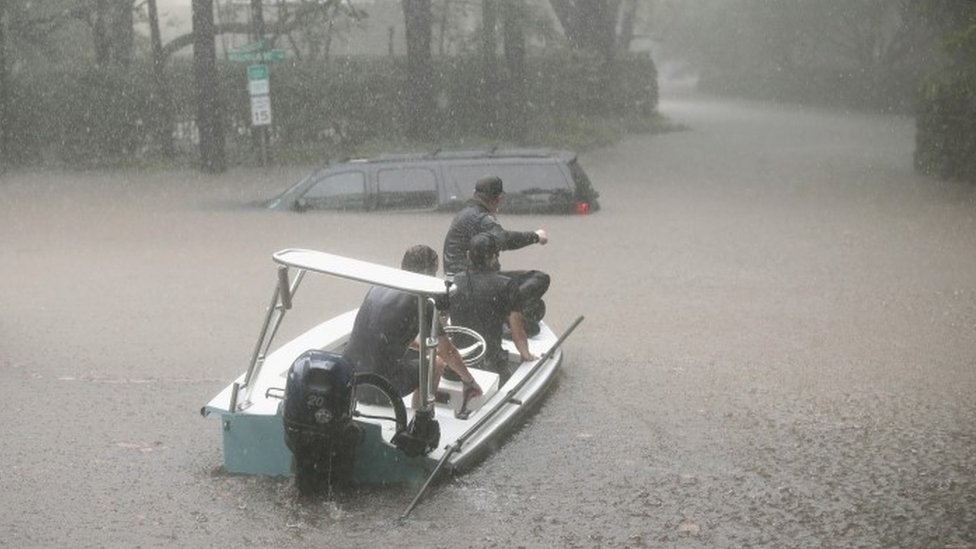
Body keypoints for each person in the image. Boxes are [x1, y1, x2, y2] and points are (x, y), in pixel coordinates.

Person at [342, 245, 482, 408]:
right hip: (379, 388)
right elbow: (448, 352)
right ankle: (420, 419)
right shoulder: (422, 300)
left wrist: (427, 347)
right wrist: (469, 380)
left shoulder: (378, 287)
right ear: (427, 273)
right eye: (434, 272)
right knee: (436, 364)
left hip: (350, 379)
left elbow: (388, 335)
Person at [442, 175, 550, 333]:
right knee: (539, 278)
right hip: (471, 281)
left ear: (474, 193)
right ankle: (503, 315)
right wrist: (535, 236)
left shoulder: (464, 213)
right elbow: (504, 240)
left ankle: (505, 315)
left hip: (456, 280)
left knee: (536, 308)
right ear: (499, 199)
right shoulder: (482, 218)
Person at [450, 233, 538, 383]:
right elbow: (517, 330)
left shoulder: (455, 281)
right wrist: (526, 354)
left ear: (468, 255)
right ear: (494, 256)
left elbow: (443, 325)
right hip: (491, 362)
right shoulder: (507, 285)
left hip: (460, 360)